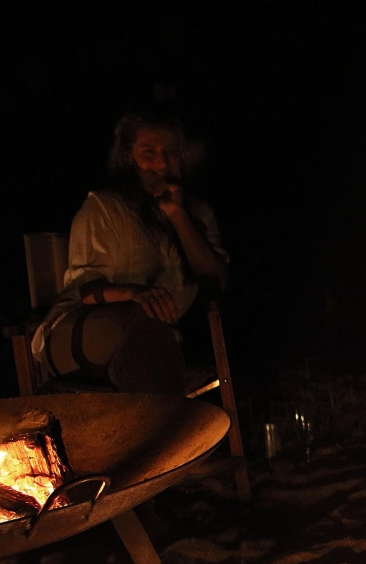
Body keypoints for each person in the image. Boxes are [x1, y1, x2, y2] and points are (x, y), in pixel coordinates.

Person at [32, 112, 230, 394]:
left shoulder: (196, 212)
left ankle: (154, 427)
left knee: (149, 347)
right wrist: (135, 293)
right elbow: (86, 290)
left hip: (152, 340)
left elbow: (215, 282)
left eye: (171, 152)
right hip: (77, 334)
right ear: (128, 156)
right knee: (145, 327)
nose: (161, 164)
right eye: (148, 153)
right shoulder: (104, 209)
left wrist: (176, 215)